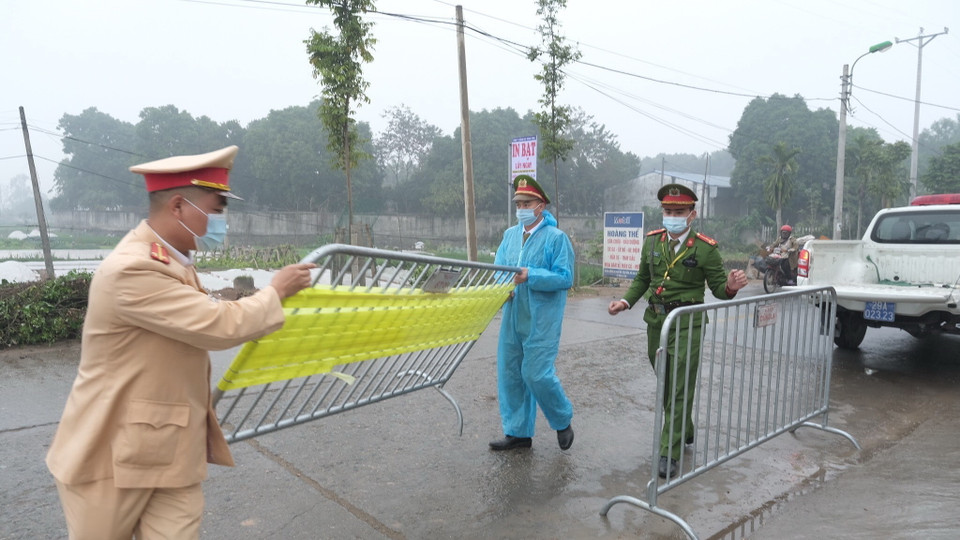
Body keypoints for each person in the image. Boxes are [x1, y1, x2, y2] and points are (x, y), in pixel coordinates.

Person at [45, 145, 316, 539]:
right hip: (109, 457)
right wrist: (275, 291)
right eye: (216, 208)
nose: (220, 220)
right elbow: (216, 324)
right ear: (177, 207)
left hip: (169, 452)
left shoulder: (172, 261)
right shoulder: (133, 268)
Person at [607, 183, 747, 479]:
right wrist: (625, 301)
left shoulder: (706, 249)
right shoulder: (652, 242)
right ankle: (685, 426)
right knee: (666, 382)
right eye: (668, 211)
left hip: (687, 324)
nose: (672, 216)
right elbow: (642, 279)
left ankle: (668, 452)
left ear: (691, 214)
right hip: (656, 322)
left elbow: (720, 289)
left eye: (678, 211)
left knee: (679, 385)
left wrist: (731, 287)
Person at [489, 175, 575, 452]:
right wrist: (503, 286)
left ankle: (562, 419)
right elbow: (499, 269)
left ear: (541, 205)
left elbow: (565, 277)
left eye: (527, 203)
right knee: (511, 372)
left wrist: (531, 275)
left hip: (541, 318)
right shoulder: (510, 236)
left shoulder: (556, 239)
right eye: (519, 203)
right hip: (513, 312)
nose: (522, 208)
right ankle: (518, 433)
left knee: (536, 373)